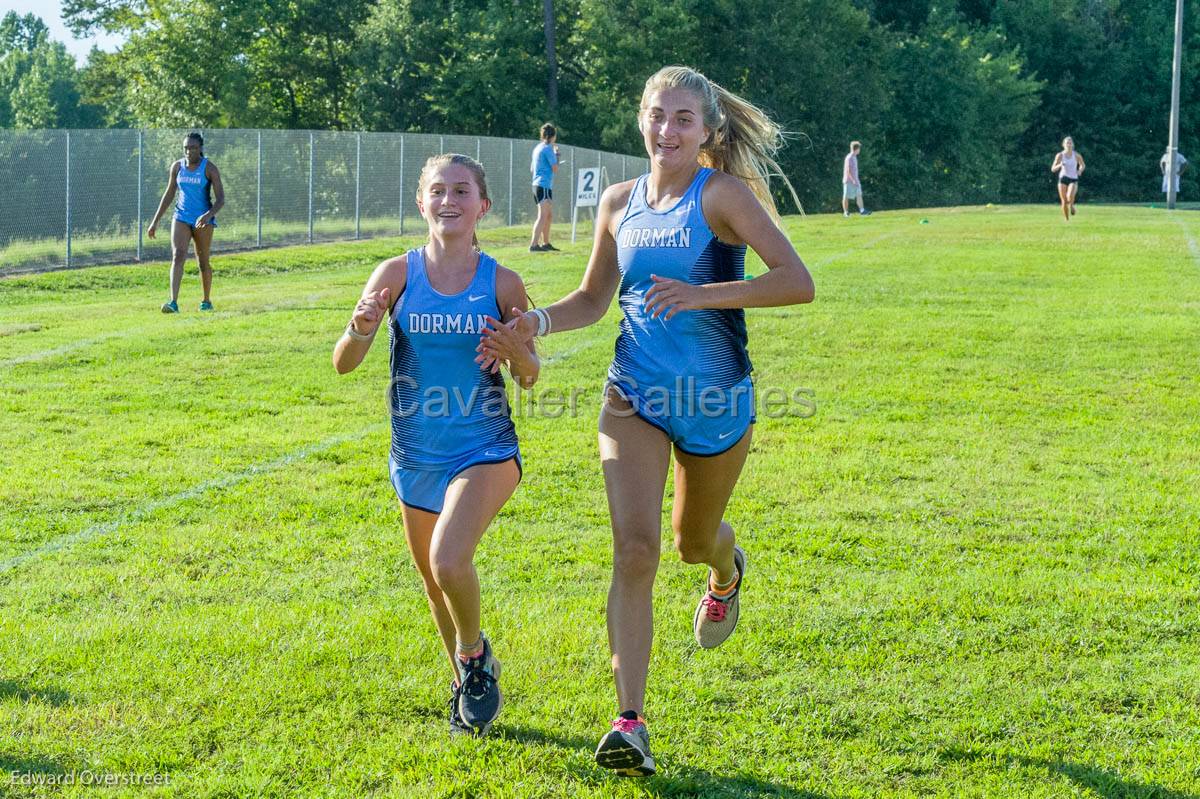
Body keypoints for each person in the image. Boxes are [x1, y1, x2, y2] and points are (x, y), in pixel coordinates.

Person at [480, 65, 814, 776]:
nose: (668, 130)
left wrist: (700, 295)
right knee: (636, 551)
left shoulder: (722, 195)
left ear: (708, 131)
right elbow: (594, 299)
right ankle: (629, 721)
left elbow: (796, 280)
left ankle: (727, 572)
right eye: (658, 115)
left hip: (718, 402)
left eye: (683, 119)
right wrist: (532, 321)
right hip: (631, 393)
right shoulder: (618, 201)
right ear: (641, 118)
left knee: (694, 542)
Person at [333, 153, 539, 737]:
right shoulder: (394, 275)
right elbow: (344, 363)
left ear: (483, 206)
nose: (449, 201)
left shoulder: (501, 282)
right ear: (421, 203)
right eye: (438, 191)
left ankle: (474, 659)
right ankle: (464, 683)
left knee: (450, 559)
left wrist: (515, 350)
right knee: (433, 578)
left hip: (484, 449)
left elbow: (529, 376)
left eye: (462, 191)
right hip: (415, 454)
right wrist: (361, 327)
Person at [147, 132, 225, 313]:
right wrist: (155, 222)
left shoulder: (209, 168)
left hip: (202, 221)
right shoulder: (177, 167)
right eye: (186, 148)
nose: (189, 151)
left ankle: (206, 301)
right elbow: (169, 194)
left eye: (193, 148)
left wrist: (208, 215)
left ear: (201, 149)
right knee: (178, 255)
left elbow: (221, 199)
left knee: (203, 261)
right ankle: (173, 302)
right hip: (181, 217)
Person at [529, 123, 560, 252]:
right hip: (544, 185)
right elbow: (555, 168)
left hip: (537, 185)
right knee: (543, 215)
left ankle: (546, 243)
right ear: (553, 136)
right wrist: (557, 155)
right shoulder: (548, 149)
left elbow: (532, 169)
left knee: (548, 215)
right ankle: (534, 245)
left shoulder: (537, 148)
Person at [1050, 136, 1085, 220]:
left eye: (1070, 143)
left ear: (1073, 145)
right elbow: (1053, 169)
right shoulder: (1060, 155)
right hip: (1063, 178)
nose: (1069, 145)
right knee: (1064, 200)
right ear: (1063, 145)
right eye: (1067, 143)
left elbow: (1082, 165)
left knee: (1069, 197)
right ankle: (1067, 220)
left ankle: (1072, 206)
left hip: (1073, 178)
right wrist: (1060, 165)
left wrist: (1080, 170)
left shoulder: (1076, 155)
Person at [842, 141, 869, 217]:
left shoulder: (854, 157)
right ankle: (846, 212)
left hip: (856, 181)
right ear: (856, 149)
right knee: (846, 196)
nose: (859, 150)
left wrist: (855, 180)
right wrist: (853, 180)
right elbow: (848, 170)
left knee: (859, 195)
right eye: (859, 148)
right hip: (848, 181)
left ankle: (862, 211)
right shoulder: (849, 157)